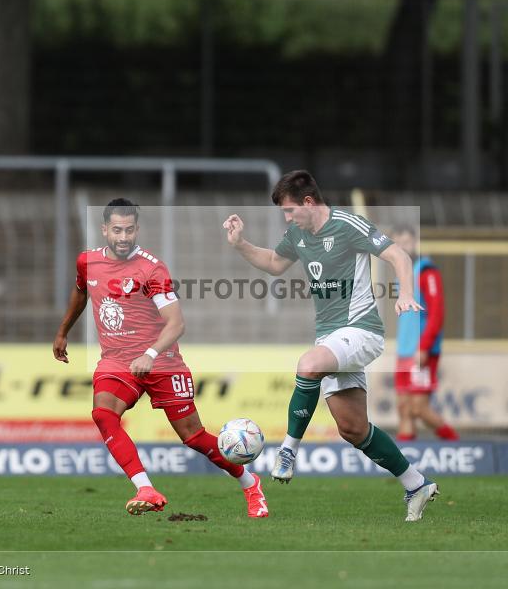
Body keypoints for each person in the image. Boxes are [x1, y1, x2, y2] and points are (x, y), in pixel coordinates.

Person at [223, 170, 438, 521]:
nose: (287, 219)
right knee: (353, 429)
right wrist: (240, 244)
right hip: (330, 338)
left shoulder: (348, 225)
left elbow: (399, 255)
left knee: (309, 365)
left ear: (309, 202)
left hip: (361, 330)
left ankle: (288, 450)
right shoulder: (298, 234)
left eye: (290, 211)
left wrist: (405, 294)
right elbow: (275, 264)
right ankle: (417, 484)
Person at [53, 198, 269, 517]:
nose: (123, 237)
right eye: (117, 230)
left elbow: (176, 323)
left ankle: (250, 483)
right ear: (104, 230)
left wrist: (150, 354)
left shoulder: (151, 269)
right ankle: (145, 488)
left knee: (193, 436)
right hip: (117, 361)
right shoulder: (87, 262)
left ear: (137, 230)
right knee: (103, 414)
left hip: (162, 361)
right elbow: (81, 291)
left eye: (129, 230)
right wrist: (63, 331)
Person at [391, 224, 459, 442]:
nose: (403, 247)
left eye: (406, 242)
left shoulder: (426, 272)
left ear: (415, 242)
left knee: (418, 408)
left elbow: (436, 312)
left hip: (421, 350)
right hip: (405, 351)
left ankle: (456, 444)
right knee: (404, 408)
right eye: (398, 243)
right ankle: (404, 460)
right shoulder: (402, 274)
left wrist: (424, 346)